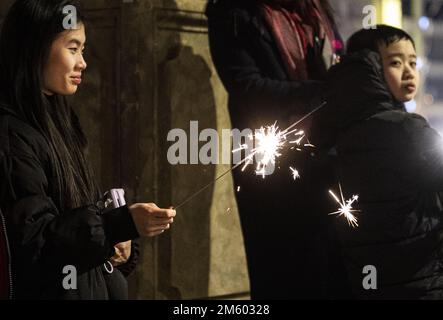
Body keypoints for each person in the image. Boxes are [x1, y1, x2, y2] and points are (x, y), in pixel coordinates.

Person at [0, 0, 176, 300]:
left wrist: (117, 238)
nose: (83, 62)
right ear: (35, 47)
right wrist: (114, 226)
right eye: (73, 48)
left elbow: (73, 221)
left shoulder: (60, 120)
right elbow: (35, 244)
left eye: (82, 49)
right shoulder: (11, 135)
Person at [205, 0, 347, 299]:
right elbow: (247, 87)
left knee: (329, 268)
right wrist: (322, 93)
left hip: (325, 157)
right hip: (271, 165)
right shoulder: (233, 13)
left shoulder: (316, 12)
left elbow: (341, 65)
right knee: (281, 271)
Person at [312, 25, 443, 299]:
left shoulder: (339, 130)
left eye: (413, 62)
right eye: (395, 62)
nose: (409, 72)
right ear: (368, 68)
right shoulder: (406, 129)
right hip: (422, 278)